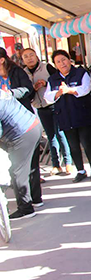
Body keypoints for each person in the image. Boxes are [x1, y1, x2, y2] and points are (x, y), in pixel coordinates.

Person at [45, 50, 91, 183]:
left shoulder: (81, 73)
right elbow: (47, 97)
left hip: (83, 114)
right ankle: (80, 170)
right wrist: (58, 93)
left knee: (87, 143)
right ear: (55, 65)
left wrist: (69, 90)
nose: (62, 63)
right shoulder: (52, 79)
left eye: (64, 60)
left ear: (69, 60)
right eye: (58, 62)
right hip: (65, 117)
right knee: (73, 145)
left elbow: (85, 89)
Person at [22, 48, 74, 176]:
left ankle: (68, 162)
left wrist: (46, 84)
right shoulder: (23, 73)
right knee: (50, 136)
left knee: (60, 133)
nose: (29, 58)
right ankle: (56, 165)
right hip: (40, 107)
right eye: (26, 56)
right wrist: (33, 89)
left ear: (36, 56)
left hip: (53, 104)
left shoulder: (46, 67)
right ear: (22, 60)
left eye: (31, 55)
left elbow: (58, 80)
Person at [0, 91, 43, 220]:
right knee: (31, 168)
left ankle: (26, 209)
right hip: (32, 125)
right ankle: (36, 199)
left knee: (17, 171)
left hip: (21, 134)